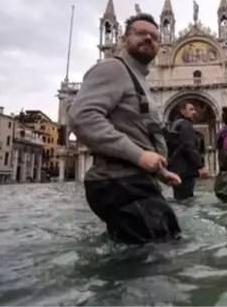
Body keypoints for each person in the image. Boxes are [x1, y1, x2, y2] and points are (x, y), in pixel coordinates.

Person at [67, 13, 183, 245]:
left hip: (134, 182)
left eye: (154, 36)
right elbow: (82, 116)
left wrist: (160, 172)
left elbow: (139, 132)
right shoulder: (113, 68)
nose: (149, 39)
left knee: (161, 247)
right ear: (123, 39)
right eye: (140, 33)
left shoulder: (138, 79)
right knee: (155, 259)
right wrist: (139, 156)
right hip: (120, 182)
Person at [166, 102, 208, 200]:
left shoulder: (176, 124)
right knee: (186, 200)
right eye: (191, 109)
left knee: (180, 199)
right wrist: (200, 166)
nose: (194, 112)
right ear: (182, 111)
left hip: (176, 169)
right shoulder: (185, 125)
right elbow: (189, 146)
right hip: (185, 171)